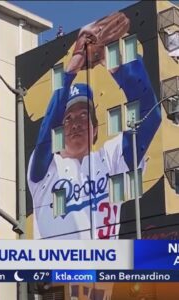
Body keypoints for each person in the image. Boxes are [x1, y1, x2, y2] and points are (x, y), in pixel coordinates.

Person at [27, 12, 162, 240]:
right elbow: (46, 129)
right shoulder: (45, 169)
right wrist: (73, 64)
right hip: (56, 272)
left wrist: (111, 60)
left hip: (105, 268)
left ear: (96, 128)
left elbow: (150, 113)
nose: (75, 123)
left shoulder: (110, 158)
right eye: (68, 118)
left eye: (83, 116)